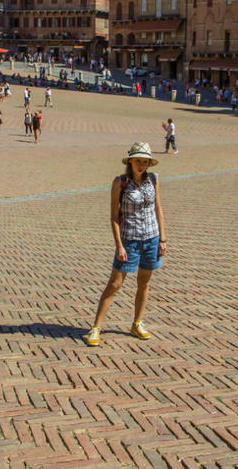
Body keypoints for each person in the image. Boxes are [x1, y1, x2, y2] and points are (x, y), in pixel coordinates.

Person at [86, 142, 167, 346]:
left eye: (146, 161)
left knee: (144, 282)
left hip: (151, 238)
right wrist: (119, 245)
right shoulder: (120, 182)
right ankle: (96, 327)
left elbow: (158, 209)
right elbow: (114, 216)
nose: (142, 165)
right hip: (129, 240)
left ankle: (137, 322)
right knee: (115, 284)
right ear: (130, 161)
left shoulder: (154, 179)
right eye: (138, 160)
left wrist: (163, 239)